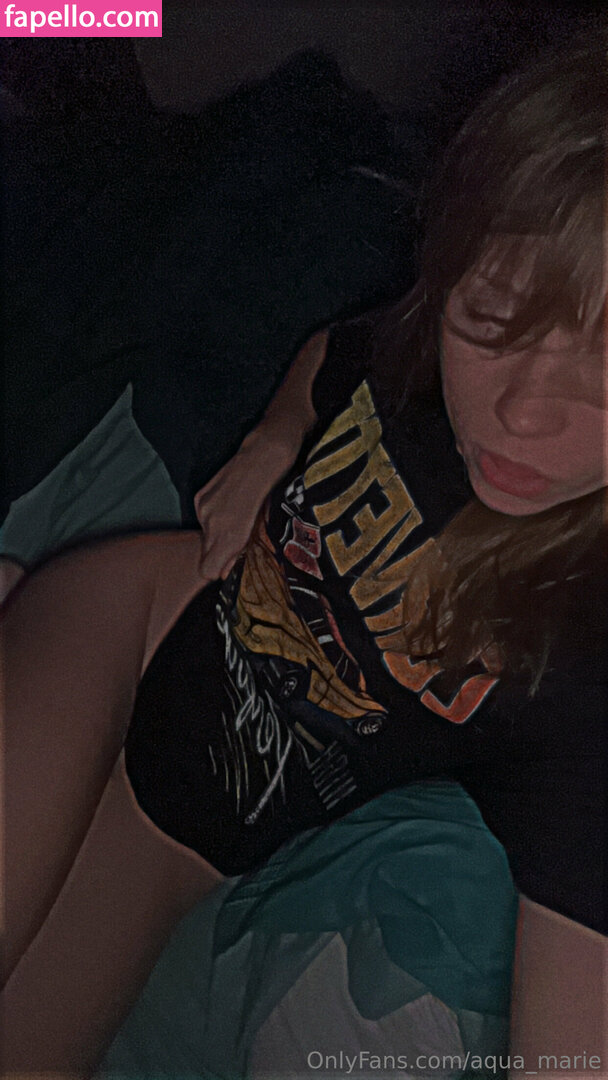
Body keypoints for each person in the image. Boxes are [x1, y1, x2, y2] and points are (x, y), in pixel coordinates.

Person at [2, 36, 606, 1078]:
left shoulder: (585, 657)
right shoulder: (425, 366)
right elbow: (345, 350)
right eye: (490, 319)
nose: (519, 410)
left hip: (177, 838)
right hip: (135, 616)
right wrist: (272, 441)